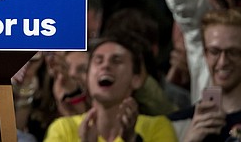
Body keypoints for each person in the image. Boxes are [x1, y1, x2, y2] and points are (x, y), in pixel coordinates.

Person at [43, 35, 177, 141]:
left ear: (136, 79)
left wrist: (131, 140)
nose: (105, 66)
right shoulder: (63, 129)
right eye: (98, 60)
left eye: (116, 61)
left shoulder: (157, 127)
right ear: (88, 78)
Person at [168, 8, 241, 141]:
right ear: (205, 54)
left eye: (233, 52)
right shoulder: (178, 124)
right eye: (214, 51)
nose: (223, 61)